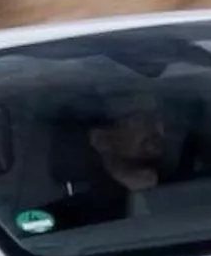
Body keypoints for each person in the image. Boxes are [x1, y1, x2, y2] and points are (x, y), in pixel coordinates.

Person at [44, 84, 172, 230]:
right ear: (101, 140)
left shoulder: (189, 196)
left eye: (158, 119)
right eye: (138, 120)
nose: (157, 129)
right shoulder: (70, 220)